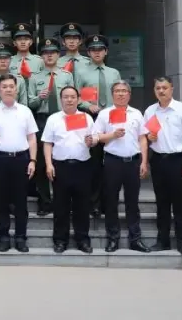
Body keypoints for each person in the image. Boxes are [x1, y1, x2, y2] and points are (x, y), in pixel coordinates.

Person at [0, 74, 38, 253]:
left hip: (21, 159)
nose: (8, 89)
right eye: (4, 87)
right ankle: (3, 237)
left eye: (11, 86)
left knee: (21, 201)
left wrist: (33, 160)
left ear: (16, 89)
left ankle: (21, 237)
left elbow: (32, 138)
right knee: (1, 201)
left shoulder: (25, 111)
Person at [142, 76, 182, 256]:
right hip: (158, 160)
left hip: (177, 160)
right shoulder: (150, 111)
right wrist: (149, 138)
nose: (161, 91)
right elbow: (145, 136)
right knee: (161, 203)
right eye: (158, 88)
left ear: (171, 89)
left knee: (179, 203)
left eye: (164, 88)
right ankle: (163, 241)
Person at [92, 80, 149, 253]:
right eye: (117, 91)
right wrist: (112, 135)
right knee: (111, 201)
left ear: (129, 94)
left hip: (133, 161)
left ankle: (135, 239)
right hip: (112, 161)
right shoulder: (105, 114)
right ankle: (113, 238)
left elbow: (143, 138)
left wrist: (144, 161)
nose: (121, 94)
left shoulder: (137, 114)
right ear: (112, 94)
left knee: (133, 202)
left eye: (124, 91)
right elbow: (96, 137)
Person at [41, 86, 97, 253]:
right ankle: (60, 240)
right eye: (66, 97)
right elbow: (47, 143)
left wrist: (92, 141)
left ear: (78, 99)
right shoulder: (53, 119)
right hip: (60, 167)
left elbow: (94, 137)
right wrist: (49, 164)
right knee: (60, 206)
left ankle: (83, 240)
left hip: (82, 166)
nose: (69, 100)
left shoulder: (87, 117)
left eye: (73, 97)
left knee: (82, 206)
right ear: (61, 99)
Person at [75, 34, 122, 219]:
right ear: (88, 52)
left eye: (100, 49)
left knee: (110, 164)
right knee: (94, 163)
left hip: (111, 119)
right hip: (91, 117)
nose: (97, 52)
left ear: (106, 52)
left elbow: (120, 95)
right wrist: (88, 105)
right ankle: (93, 203)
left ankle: (108, 204)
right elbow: (75, 96)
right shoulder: (81, 73)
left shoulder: (114, 73)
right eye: (93, 50)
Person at [27, 37, 75, 217]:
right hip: (42, 119)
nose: (49, 56)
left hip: (63, 119)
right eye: (46, 53)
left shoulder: (66, 75)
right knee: (41, 162)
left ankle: (63, 200)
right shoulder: (34, 77)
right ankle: (44, 202)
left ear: (58, 55)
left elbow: (72, 98)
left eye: (53, 52)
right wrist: (39, 98)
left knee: (62, 159)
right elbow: (29, 103)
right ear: (41, 56)